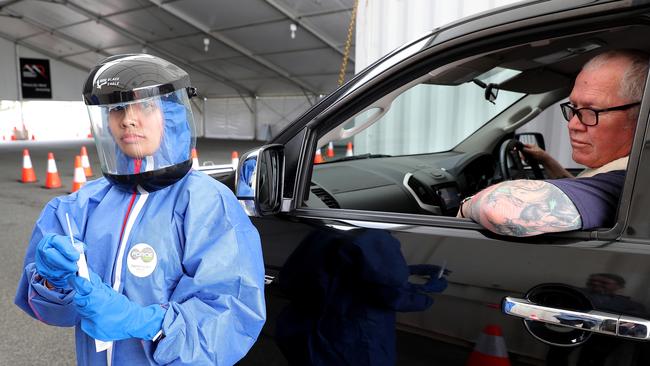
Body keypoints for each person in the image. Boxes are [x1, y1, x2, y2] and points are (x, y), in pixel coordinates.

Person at [14, 54, 266, 365]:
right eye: (117, 108)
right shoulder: (76, 207)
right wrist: (52, 282)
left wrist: (146, 323)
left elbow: (230, 315)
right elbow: (52, 312)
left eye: (145, 106)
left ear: (172, 115)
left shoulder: (208, 204)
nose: (128, 119)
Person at [458, 49, 649, 236]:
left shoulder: (631, 183)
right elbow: (585, 188)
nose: (573, 124)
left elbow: (503, 211)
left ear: (642, 117)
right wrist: (546, 161)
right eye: (574, 107)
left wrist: (467, 204)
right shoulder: (623, 170)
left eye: (592, 111)